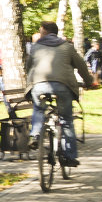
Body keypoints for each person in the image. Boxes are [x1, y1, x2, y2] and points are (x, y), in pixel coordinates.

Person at [26, 21, 96, 166]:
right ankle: (69, 156)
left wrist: (32, 82)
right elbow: (81, 65)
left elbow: (28, 66)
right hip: (63, 86)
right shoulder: (67, 47)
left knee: (39, 109)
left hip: (38, 85)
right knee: (66, 120)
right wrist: (89, 81)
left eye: (41, 31)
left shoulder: (36, 47)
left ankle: (35, 134)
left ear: (44, 32)